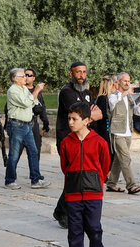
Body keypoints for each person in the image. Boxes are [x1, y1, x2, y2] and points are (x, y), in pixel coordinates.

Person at [59, 102, 110, 247]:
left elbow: (105, 165)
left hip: (93, 193)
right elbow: (65, 167)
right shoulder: (66, 143)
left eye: (75, 119)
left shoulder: (99, 142)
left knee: (94, 227)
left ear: (87, 120)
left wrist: (96, 181)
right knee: (75, 230)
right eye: (69, 119)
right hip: (72, 194)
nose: (71, 122)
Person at [53, 62, 102, 228]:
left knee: (78, 175)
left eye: (84, 72)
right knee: (73, 175)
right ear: (71, 74)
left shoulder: (87, 93)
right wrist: (91, 114)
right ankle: (63, 211)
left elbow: (96, 112)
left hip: (82, 139)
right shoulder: (67, 92)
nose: (81, 75)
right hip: (68, 139)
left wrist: (91, 114)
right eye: (78, 72)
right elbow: (82, 114)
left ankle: (61, 210)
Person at [4, 68, 50, 190]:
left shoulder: (23, 88)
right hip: (17, 125)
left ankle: (36, 180)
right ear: (15, 78)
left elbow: (33, 102)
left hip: (27, 124)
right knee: (14, 154)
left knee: (33, 151)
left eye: (26, 75)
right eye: (23, 76)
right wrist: (37, 90)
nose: (25, 77)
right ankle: (9, 180)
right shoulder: (13, 91)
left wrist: (38, 105)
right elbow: (25, 102)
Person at [106, 72, 140, 194]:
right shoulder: (113, 96)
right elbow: (112, 105)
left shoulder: (130, 97)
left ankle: (111, 184)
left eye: (129, 81)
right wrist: (125, 93)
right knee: (126, 158)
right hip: (117, 132)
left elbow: (138, 112)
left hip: (128, 132)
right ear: (119, 82)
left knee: (119, 159)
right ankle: (131, 185)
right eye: (125, 81)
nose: (127, 83)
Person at [93, 76, 113, 161]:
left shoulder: (101, 98)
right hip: (104, 129)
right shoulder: (103, 99)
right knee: (108, 154)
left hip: (103, 128)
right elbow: (103, 115)